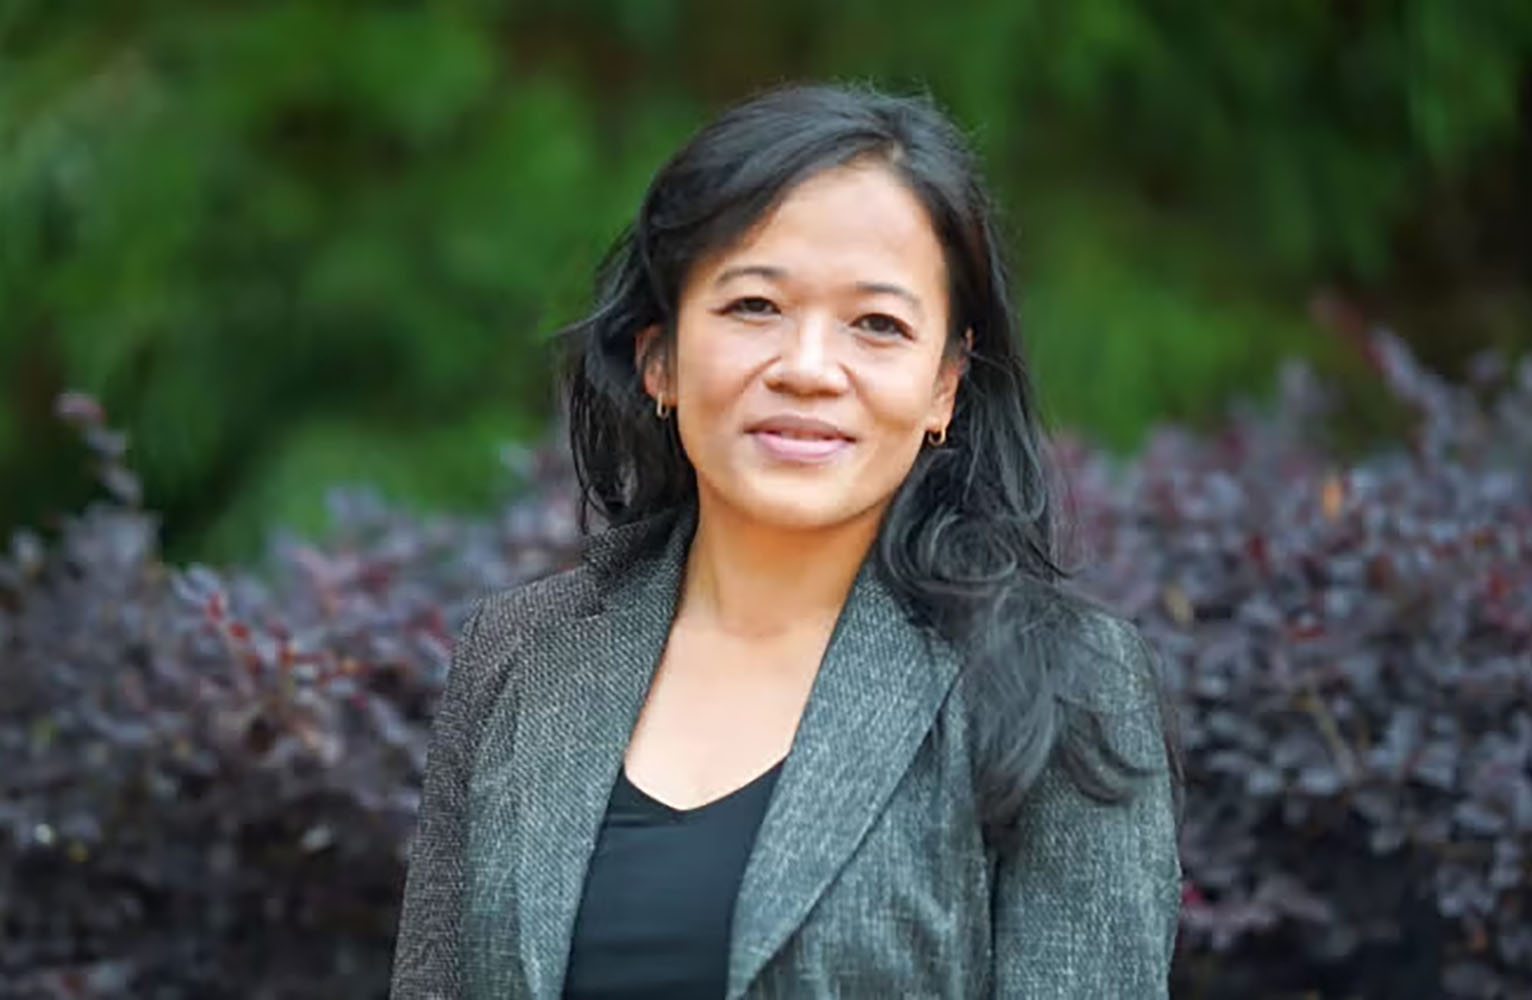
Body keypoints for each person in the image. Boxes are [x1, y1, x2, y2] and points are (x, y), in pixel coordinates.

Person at [390, 81, 1183, 999]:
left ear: (944, 387)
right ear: (661, 358)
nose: (807, 369)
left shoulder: (1061, 683)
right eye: (754, 307)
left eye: (877, 326)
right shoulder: (517, 657)